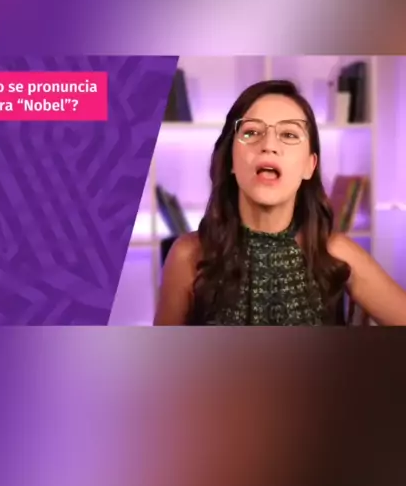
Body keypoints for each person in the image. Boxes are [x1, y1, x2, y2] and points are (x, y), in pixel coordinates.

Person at [154, 79, 406, 326]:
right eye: (252, 132)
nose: (269, 145)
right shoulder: (188, 256)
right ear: (230, 159)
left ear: (310, 166)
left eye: (288, 134)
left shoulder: (335, 253)